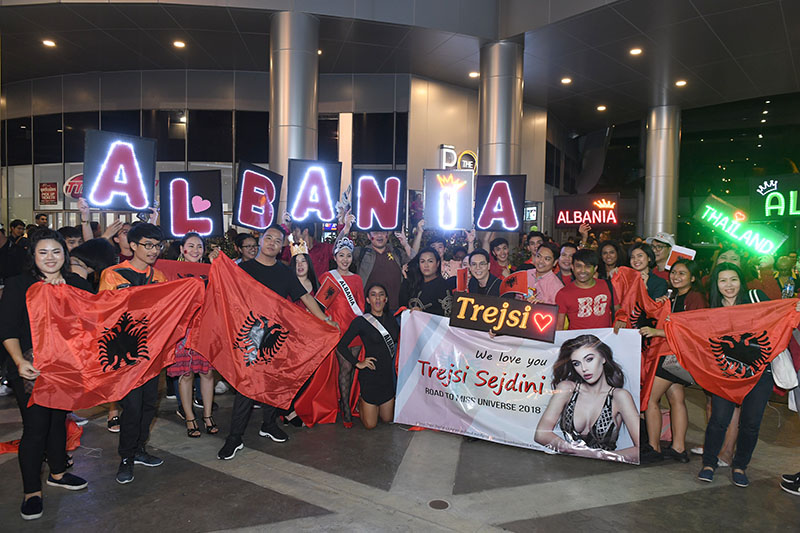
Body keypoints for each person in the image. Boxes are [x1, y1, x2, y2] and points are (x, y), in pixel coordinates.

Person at [217, 225, 338, 461]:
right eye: (268, 238)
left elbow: (306, 298)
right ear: (260, 240)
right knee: (247, 387)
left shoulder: (285, 272)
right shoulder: (244, 269)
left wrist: (324, 319)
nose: (272, 242)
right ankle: (234, 437)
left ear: (283, 245)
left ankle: (269, 424)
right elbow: (227, 294)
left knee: (274, 382)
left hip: (276, 335)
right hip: (250, 336)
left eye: (277, 240)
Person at [0, 229, 91, 520]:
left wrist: (72, 292)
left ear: (65, 255)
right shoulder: (19, 285)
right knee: (36, 428)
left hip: (64, 368)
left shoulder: (76, 283)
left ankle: (58, 472)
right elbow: (8, 328)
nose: (50, 258)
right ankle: (31, 492)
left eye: (56, 252)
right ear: (33, 256)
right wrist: (18, 362)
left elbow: (97, 318)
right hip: (29, 366)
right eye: (43, 252)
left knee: (57, 422)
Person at [697, 262, 799, 487]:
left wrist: (794, 309)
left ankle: (740, 466)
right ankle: (709, 463)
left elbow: (778, 314)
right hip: (726, 376)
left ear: (741, 281)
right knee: (718, 420)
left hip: (760, 373)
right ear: (716, 284)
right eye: (722, 280)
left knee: (751, 423)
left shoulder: (755, 297)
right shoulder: (713, 310)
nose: (728, 285)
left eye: (733, 279)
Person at [98, 223, 168, 484]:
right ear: (133, 245)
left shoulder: (159, 277)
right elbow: (104, 313)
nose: (153, 250)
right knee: (132, 406)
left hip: (151, 352)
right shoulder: (113, 275)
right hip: (124, 354)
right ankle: (126, 456)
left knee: (150, 404)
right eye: (147, 245)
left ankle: (140, 448)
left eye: (157, 246)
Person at [639, 259, 707, 463]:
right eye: (674, 273)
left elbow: (692, 331)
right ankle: (678, 448)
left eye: (682, 274)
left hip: (675, 355)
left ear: (693, 278)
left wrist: (656, 332)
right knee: (677, 399)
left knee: (650, 399)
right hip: (675, 356)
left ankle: (654, 447)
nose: (676, 277)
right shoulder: (676, 296)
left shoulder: (695, 298)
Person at [534, 334, 639, 463]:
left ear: (603, 358)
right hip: (568, 466)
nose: (584, 369)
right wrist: (575, 451)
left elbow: (639, 450)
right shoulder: (567, 389)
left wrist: (599, 456)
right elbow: (541, 434)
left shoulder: (619, 397)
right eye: (577, 363)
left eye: (589, 359)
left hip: (605, 469)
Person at [167, 233, 218, 439]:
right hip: (182, 330)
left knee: (207, 373)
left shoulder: (211, 271)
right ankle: (189, 417)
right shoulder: (171, 272)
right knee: (185, 374)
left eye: (199, 246)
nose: (196, 250)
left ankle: (207, 416)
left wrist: (217, 266)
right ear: (182, 249)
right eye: (191, 246)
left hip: (205, 329)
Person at [336, 283, 400, 430]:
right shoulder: (361, 321)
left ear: (386, 299)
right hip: (370, 377)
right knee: (370, 425)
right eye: (373, 294)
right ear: (368, 300)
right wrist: (357, 363)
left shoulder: (393, 320)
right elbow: (342, 345)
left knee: (387, 419)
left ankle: (374, 407)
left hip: (387, 378)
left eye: (381, 294)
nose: (377, 298)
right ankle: (361, 402)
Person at [318, 238, 365, 428]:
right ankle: (345, 407)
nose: (345, 259)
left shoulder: (357, 279)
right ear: (335, 257)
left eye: (348, 256)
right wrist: (329, 322)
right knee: (345, 368)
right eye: (341, 255)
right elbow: (321, 305)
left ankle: (348, 402)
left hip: (355, 330)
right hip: (338, 330)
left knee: (353, 369)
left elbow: (360, 304)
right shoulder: (328, 278)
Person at [555, 249, 620, 331]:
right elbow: (559, 327)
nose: (583, 270)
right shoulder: (563, 293)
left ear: (595, 268)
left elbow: (618, 310)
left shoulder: (606, 285)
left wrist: (621, 319)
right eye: (578, 266)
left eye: (588, 266)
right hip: (577, 341)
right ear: (572, 267)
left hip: (604, 340)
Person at [351, 228, 410, 312]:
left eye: (383, 232)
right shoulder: (361, 253)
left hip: (397, 310)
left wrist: (406, 245)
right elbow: (338, 252)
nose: (379, 235)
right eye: (375, 232)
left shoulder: (397, 253)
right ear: (368, 236)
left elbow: (416, 264)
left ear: (388, 234)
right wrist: (345, 229)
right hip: (369, 311)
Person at [399, 246, 453, 316]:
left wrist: (423, 313)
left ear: (437, 263)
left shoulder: (444, 287)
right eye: (422, 261)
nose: (426, 265)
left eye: (430, 261)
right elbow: (402, 304)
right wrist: (406, 279)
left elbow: (447, 315)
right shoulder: (415, 283)